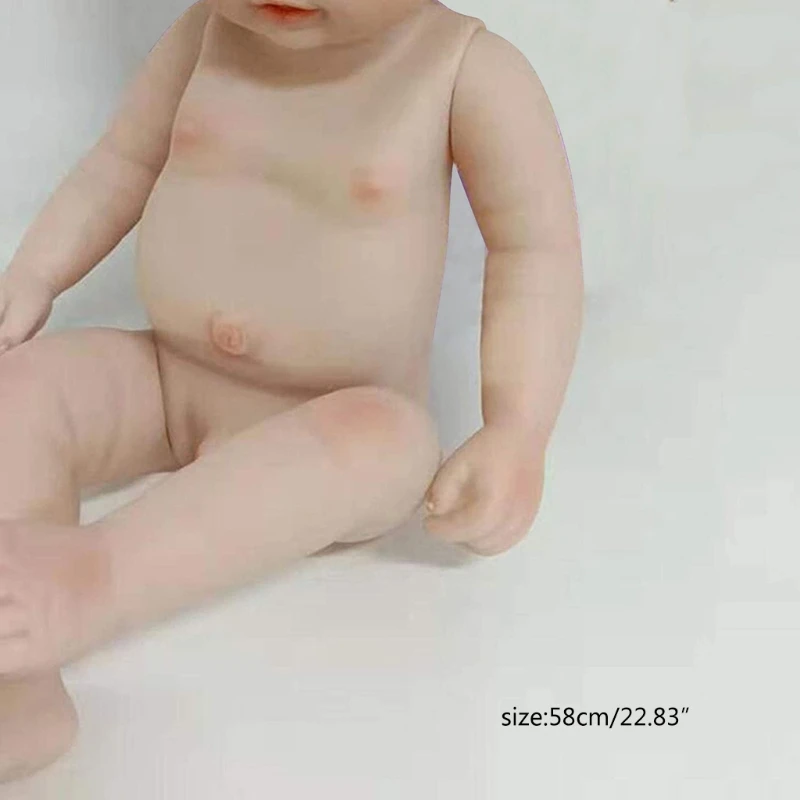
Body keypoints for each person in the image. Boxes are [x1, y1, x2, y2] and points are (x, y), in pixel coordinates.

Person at [0, 0, 583, 780]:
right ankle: (17, 670)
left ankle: (93, 577)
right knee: (24, 385)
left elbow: (534, 253)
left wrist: (517, 427)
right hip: (169, 377)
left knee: (392, 442)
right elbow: (122, 162)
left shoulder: (468, 72)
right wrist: (36, 271)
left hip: (335, 411)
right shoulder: (206, 32)